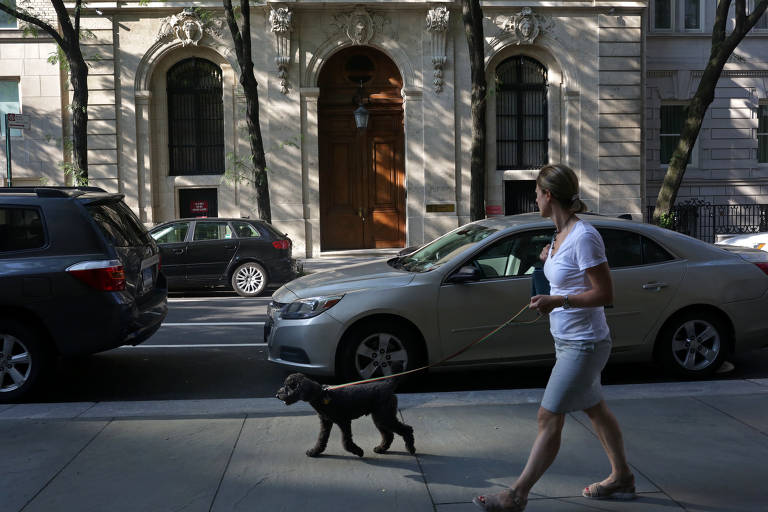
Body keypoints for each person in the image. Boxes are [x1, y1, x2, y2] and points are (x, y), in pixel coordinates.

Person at [473, 164, 635, 511]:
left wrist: (557, 300)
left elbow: (605, 293)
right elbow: (567, 277)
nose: (534, 198)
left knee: (549, 417)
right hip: (567, 341)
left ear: (548, 195)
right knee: (596, 410)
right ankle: (622, 476)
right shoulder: (558, 236)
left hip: (585, 343)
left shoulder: (584, 236)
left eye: (536, 193)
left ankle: (516, 495)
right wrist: (548, 262)